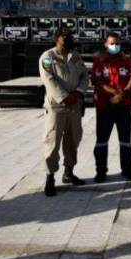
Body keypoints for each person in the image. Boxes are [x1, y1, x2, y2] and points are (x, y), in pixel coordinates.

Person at [39, 28, 89, 196]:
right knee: (52, 141)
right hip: (57, 107)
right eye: (64, 37)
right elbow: (48, 79)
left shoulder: (75, 56)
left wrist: (78, 93)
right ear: (56, 39)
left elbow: (85, 76)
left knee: (73, 139)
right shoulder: (48, 57)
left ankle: (69, 172)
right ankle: (50, 177)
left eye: (70, 37)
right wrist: (64, 96)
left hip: (75, 105)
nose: (68, 39)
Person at [92, 32, 131, 182]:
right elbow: (97, 81)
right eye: (112, 43)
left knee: (125, 140)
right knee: (102, 141)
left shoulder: (126, 59)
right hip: (105, 106)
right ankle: (100, 171)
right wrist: (114, 93)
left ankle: (127, 170)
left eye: (117, 43)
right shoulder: (99, 61)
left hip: (123, 105)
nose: (115, 46)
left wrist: (122, 93)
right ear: (106, 44)